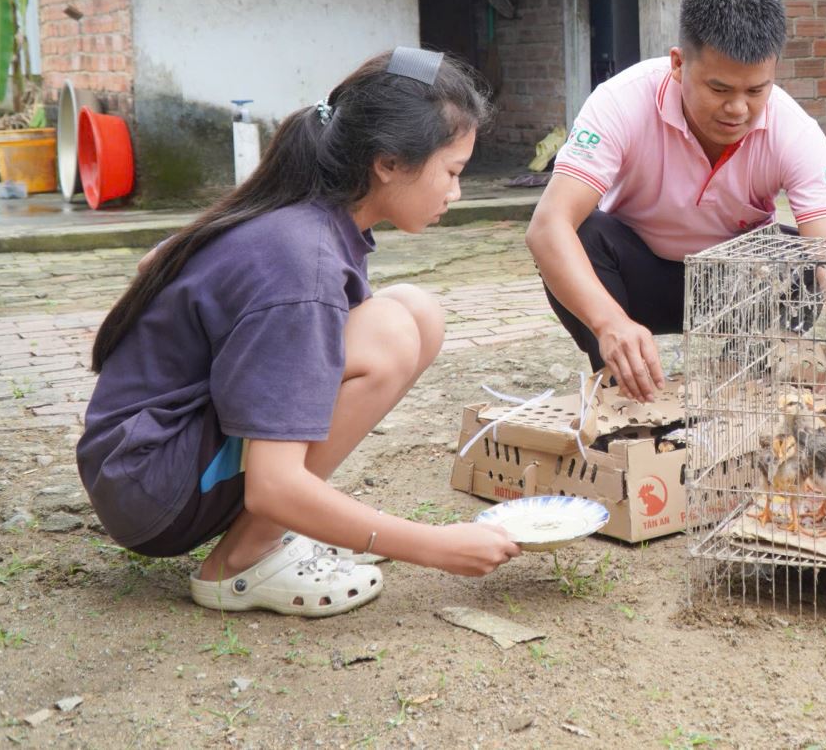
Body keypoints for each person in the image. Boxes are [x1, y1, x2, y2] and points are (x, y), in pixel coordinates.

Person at [77, 49, 521, 618]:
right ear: (387, 162)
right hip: (152, 487)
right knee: (390, 334)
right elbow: (273, 486)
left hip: (147, 461)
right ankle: (242, 561)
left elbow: (157, 263)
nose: (456, 193)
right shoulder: (301, 259)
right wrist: (437, 546)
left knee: (416, 311)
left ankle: (269, 537)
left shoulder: (307, 217)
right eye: (453, 172)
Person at [527, 0, 826, 414]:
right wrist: (610, 323)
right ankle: (618, 380)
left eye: (756, 90)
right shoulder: (621, 101)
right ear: (679, 65)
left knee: (798, 256)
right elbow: (547, 226)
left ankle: (745, 386)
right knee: (584, 233)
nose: (737, 109)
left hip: (734, 287)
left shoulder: (795, 132)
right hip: (636, 276)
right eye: (719, 89)